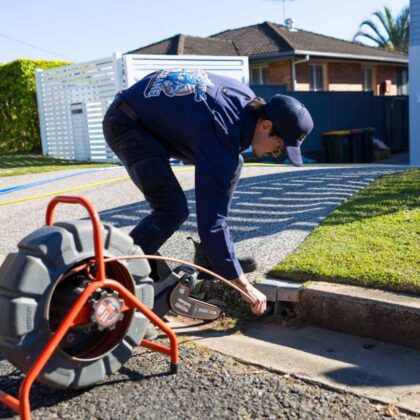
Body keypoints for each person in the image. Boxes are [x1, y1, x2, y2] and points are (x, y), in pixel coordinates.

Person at [102, 68, 314, 316]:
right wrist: (242, 285)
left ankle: (210, 256)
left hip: (144, 117)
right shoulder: (221, 129)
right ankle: (110, 277)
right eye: (278, 148)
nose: (276, 155)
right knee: (171, 209)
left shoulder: (244, 101)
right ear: (266, 125)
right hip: (127, 124)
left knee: (231, 165)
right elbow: (212, 222)